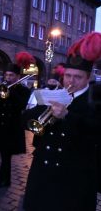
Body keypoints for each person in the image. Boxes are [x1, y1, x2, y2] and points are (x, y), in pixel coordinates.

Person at [22, 32, 101, 211]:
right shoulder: (56, 93)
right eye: (68, 76)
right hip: (43, 172)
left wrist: (67, 116)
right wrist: (40, 108)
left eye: (77, 77)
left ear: (88, 78)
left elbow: (95, 132)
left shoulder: (96, 99)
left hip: (74, 178)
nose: (70, 81)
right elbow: (26, 120)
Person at [0, 61, 31, 195]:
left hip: (12, 127)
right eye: (6, 75)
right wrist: (1, 95)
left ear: (18, 76)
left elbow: (21, 105)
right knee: (5, 156)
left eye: (11, 75)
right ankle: (6, 180)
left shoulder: (24, 90)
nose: (8, 78)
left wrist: (10, 93)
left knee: (6, 156)